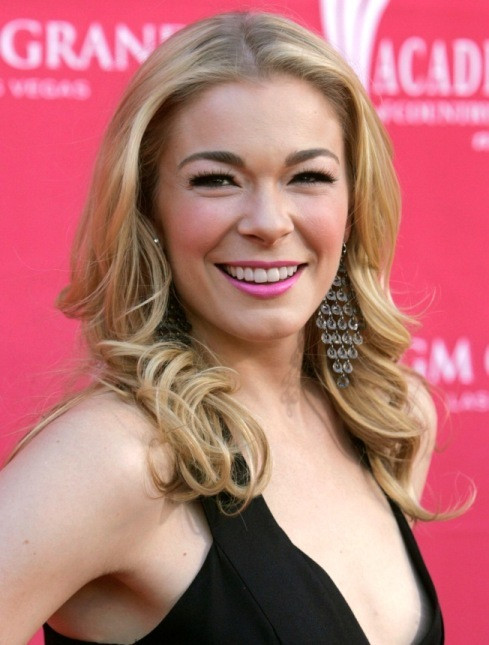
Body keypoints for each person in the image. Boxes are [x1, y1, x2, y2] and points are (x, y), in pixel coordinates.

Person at [0, 11, 445, 644]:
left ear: (353, 203)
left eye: (308, 177)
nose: (268, 221)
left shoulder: (391, 422)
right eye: (216, 180)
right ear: (148, 208)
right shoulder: (117, 459)